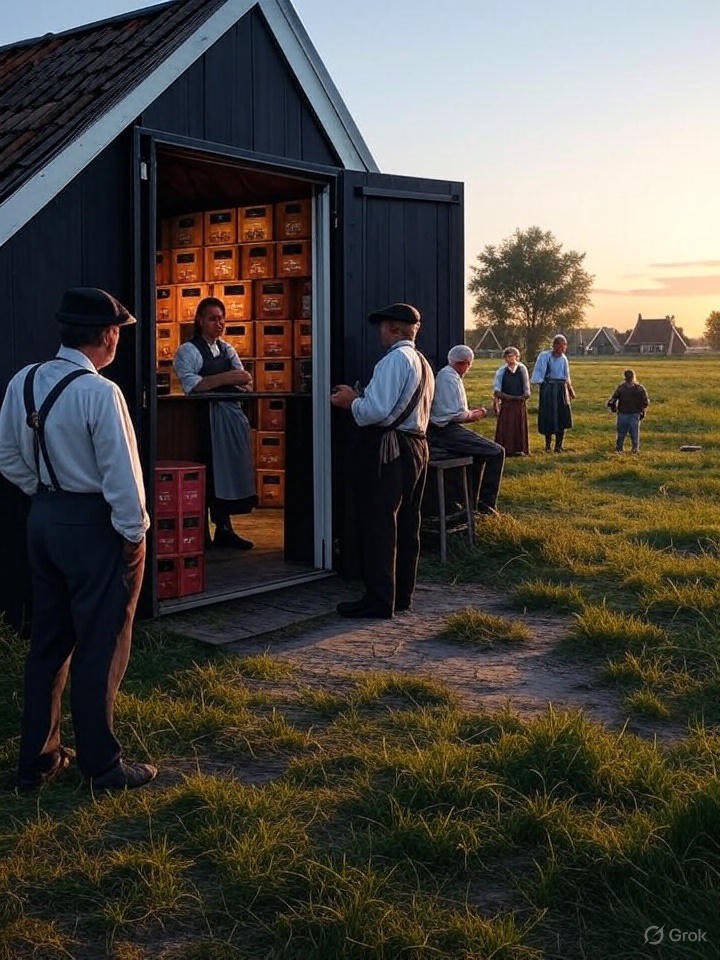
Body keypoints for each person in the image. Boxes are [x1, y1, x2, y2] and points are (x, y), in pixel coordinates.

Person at [0, 288, 155, 791]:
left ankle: (38, 760)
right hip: (96, 527)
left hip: (43, 517)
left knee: (48, 643)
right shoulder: (99, 393)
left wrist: (47, 496)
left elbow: (7, 457)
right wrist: (134, 535)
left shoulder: (23, 380)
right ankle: (103, 764)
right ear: (109, 336)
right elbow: (122, 477)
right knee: (102, 645)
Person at [330, 303, 434, 619]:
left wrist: (352, 402)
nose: (379, 333)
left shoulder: (394, 361)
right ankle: (401, 594)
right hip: (417, 447)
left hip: (392, 449)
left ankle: (378, 599)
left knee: (380, 524)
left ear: (393, 328)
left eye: (382, 327)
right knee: (407, 525)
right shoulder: (422, 362)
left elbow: (376, 411)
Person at [174, 297, 256, 549]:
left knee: (227, 473)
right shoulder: (188, 351)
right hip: (203, 422)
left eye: (222, 318)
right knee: (208, 473)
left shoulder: (227, 349)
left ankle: (224, 528)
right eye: (213, 318)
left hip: (229, 418)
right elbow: (194, 385)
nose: (219, 323)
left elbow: (247, 381)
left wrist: (217, 380)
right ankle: (200, 533)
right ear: (199, 320)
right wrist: (229, 377)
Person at [428, 344, 505, 514]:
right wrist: (480, 413)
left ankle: (469, 502)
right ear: (465, 363)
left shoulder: (448, 376)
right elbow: (457, 415)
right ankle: (486, 505)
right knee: (497, 451)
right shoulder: (449, 379)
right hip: (444, 431)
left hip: (444, 429)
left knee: (479, 452)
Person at [530, 334, 576, 452]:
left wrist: (570, 390)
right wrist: (543, 387)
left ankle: (559, 446)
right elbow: (538, 374)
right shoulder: (545, 356)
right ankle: (548, 446)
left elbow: (566, 376)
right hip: (548, 389)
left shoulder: (564, 358)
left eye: (564, 346)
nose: (563, 349)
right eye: (560, 346)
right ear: (554, 345)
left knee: (562, 417)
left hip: (561, 389)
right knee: (549, 417)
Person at [493, 346, 531, 456]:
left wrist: (523, 397)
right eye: (507, 357)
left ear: (517, 357)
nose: (509, 359)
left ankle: (520, 449)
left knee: (519, 426)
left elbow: (526, 388)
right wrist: (508, 398)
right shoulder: (501, 371)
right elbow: (497, 390)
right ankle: (506, 450)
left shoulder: (522, 369)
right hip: (507, 404)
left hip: (519, 403)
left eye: (511, 356)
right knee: (507, 427)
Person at [607, 369, 649, 454]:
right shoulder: (640, 388)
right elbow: (645, 402)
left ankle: (619, 449)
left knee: (621, 434)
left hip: (623, 413)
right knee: (634, 434)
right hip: (635, 414)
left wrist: (613, 409)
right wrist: (642, 411)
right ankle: (635, 449)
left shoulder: (621, 388)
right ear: (634, 377)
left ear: (624, 377)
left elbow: (612, 400)